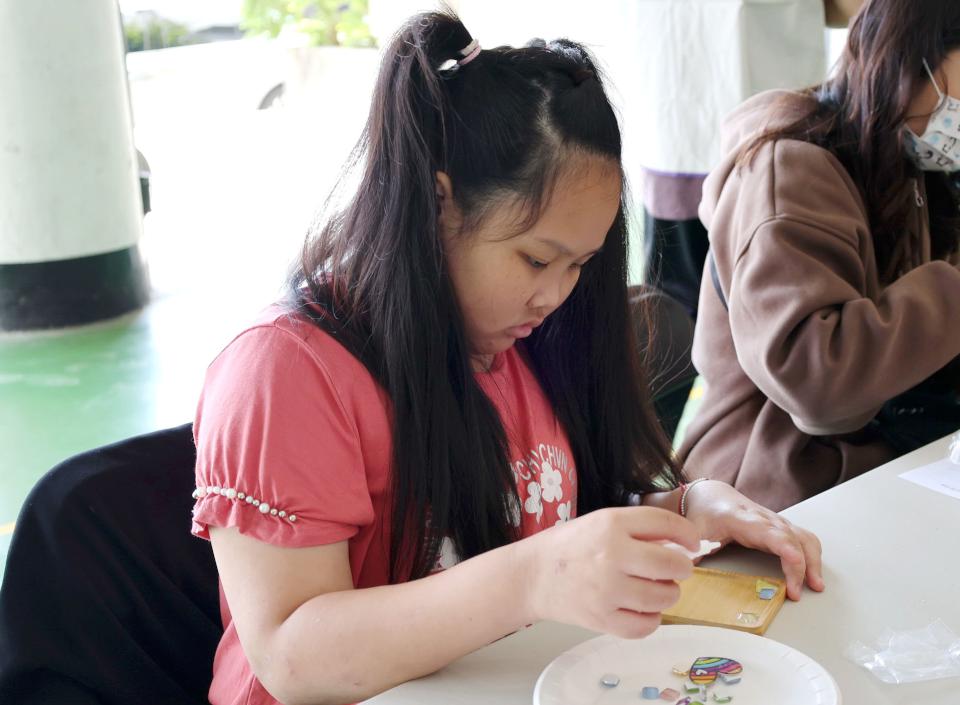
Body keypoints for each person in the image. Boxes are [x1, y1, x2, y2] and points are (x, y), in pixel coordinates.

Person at [190, 12, 823, 705]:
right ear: (438, 205)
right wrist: (533, 578)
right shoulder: (285, 371)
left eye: (580, 264)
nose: (556, 294)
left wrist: (685, 510)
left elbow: (548, 520)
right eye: (537, 259)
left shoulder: (518, 338)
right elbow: (291, 657)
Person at [680, 0, 960, 511]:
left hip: (869, 468)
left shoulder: (903, 159)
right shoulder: (790, 169)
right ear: (911, 59)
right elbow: (819, 387)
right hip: (768, 491)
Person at [634, 0, 865, 319]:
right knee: (777, 307)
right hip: (764, 133)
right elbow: (856, 7)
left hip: (676, 114)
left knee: (677, 311)